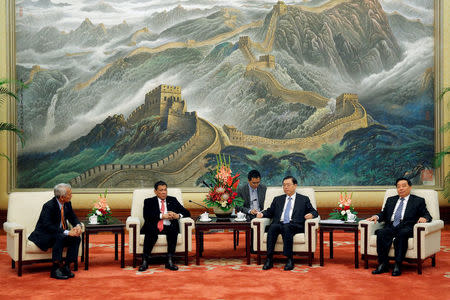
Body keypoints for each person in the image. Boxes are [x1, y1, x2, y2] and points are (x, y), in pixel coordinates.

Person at [366, 177, 432, 276]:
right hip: (392, 226)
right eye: (398, 186)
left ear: (410, 187)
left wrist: (424, 218)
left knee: (402, 234)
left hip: (406, 227)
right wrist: (376, 216)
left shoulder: (418, 201)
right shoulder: (391, 200)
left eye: (404, 186)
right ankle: (383, 264)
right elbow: (383, 214)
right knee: (381, 233)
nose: (401, 188)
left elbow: (427, 215)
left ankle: (398, 265)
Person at [256, 176, 318, 271]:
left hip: (295, 225)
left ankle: (289, 259)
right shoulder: (278, 199)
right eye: (284, 185)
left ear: (295, 185)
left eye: (288, 185)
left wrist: (311, 215)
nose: (286, 187)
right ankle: (269, 259)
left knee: (287, 227)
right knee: (272, 227)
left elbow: (314, 212)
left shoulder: (303, 199)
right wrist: (261, 214)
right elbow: (270, 211)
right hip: (279, 223)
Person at [28, 183, 82, 280]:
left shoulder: (67, 203)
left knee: (76, 238)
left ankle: (66, 266)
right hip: (45, 235)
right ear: (61, 197)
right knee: (60, 237)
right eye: (69, 194)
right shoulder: (49, 206)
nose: (71, 196)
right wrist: (67, 232)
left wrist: (77, 226)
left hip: (59, 233)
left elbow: (72, 217)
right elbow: (48, 226)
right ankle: (55, 269)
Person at [139, 181, 191, 271]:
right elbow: (146, 216)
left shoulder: (173, 200)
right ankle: (145, 261)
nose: (164, 192)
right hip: (154, 226)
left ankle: (169, 261)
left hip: (168, 226)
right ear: (155, 191)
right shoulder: (149, 201)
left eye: (165, 190)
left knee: (173, 231)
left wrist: (177, 216)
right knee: (151, 232)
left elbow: (187, 212)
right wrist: (162, 216)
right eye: (161, 190)